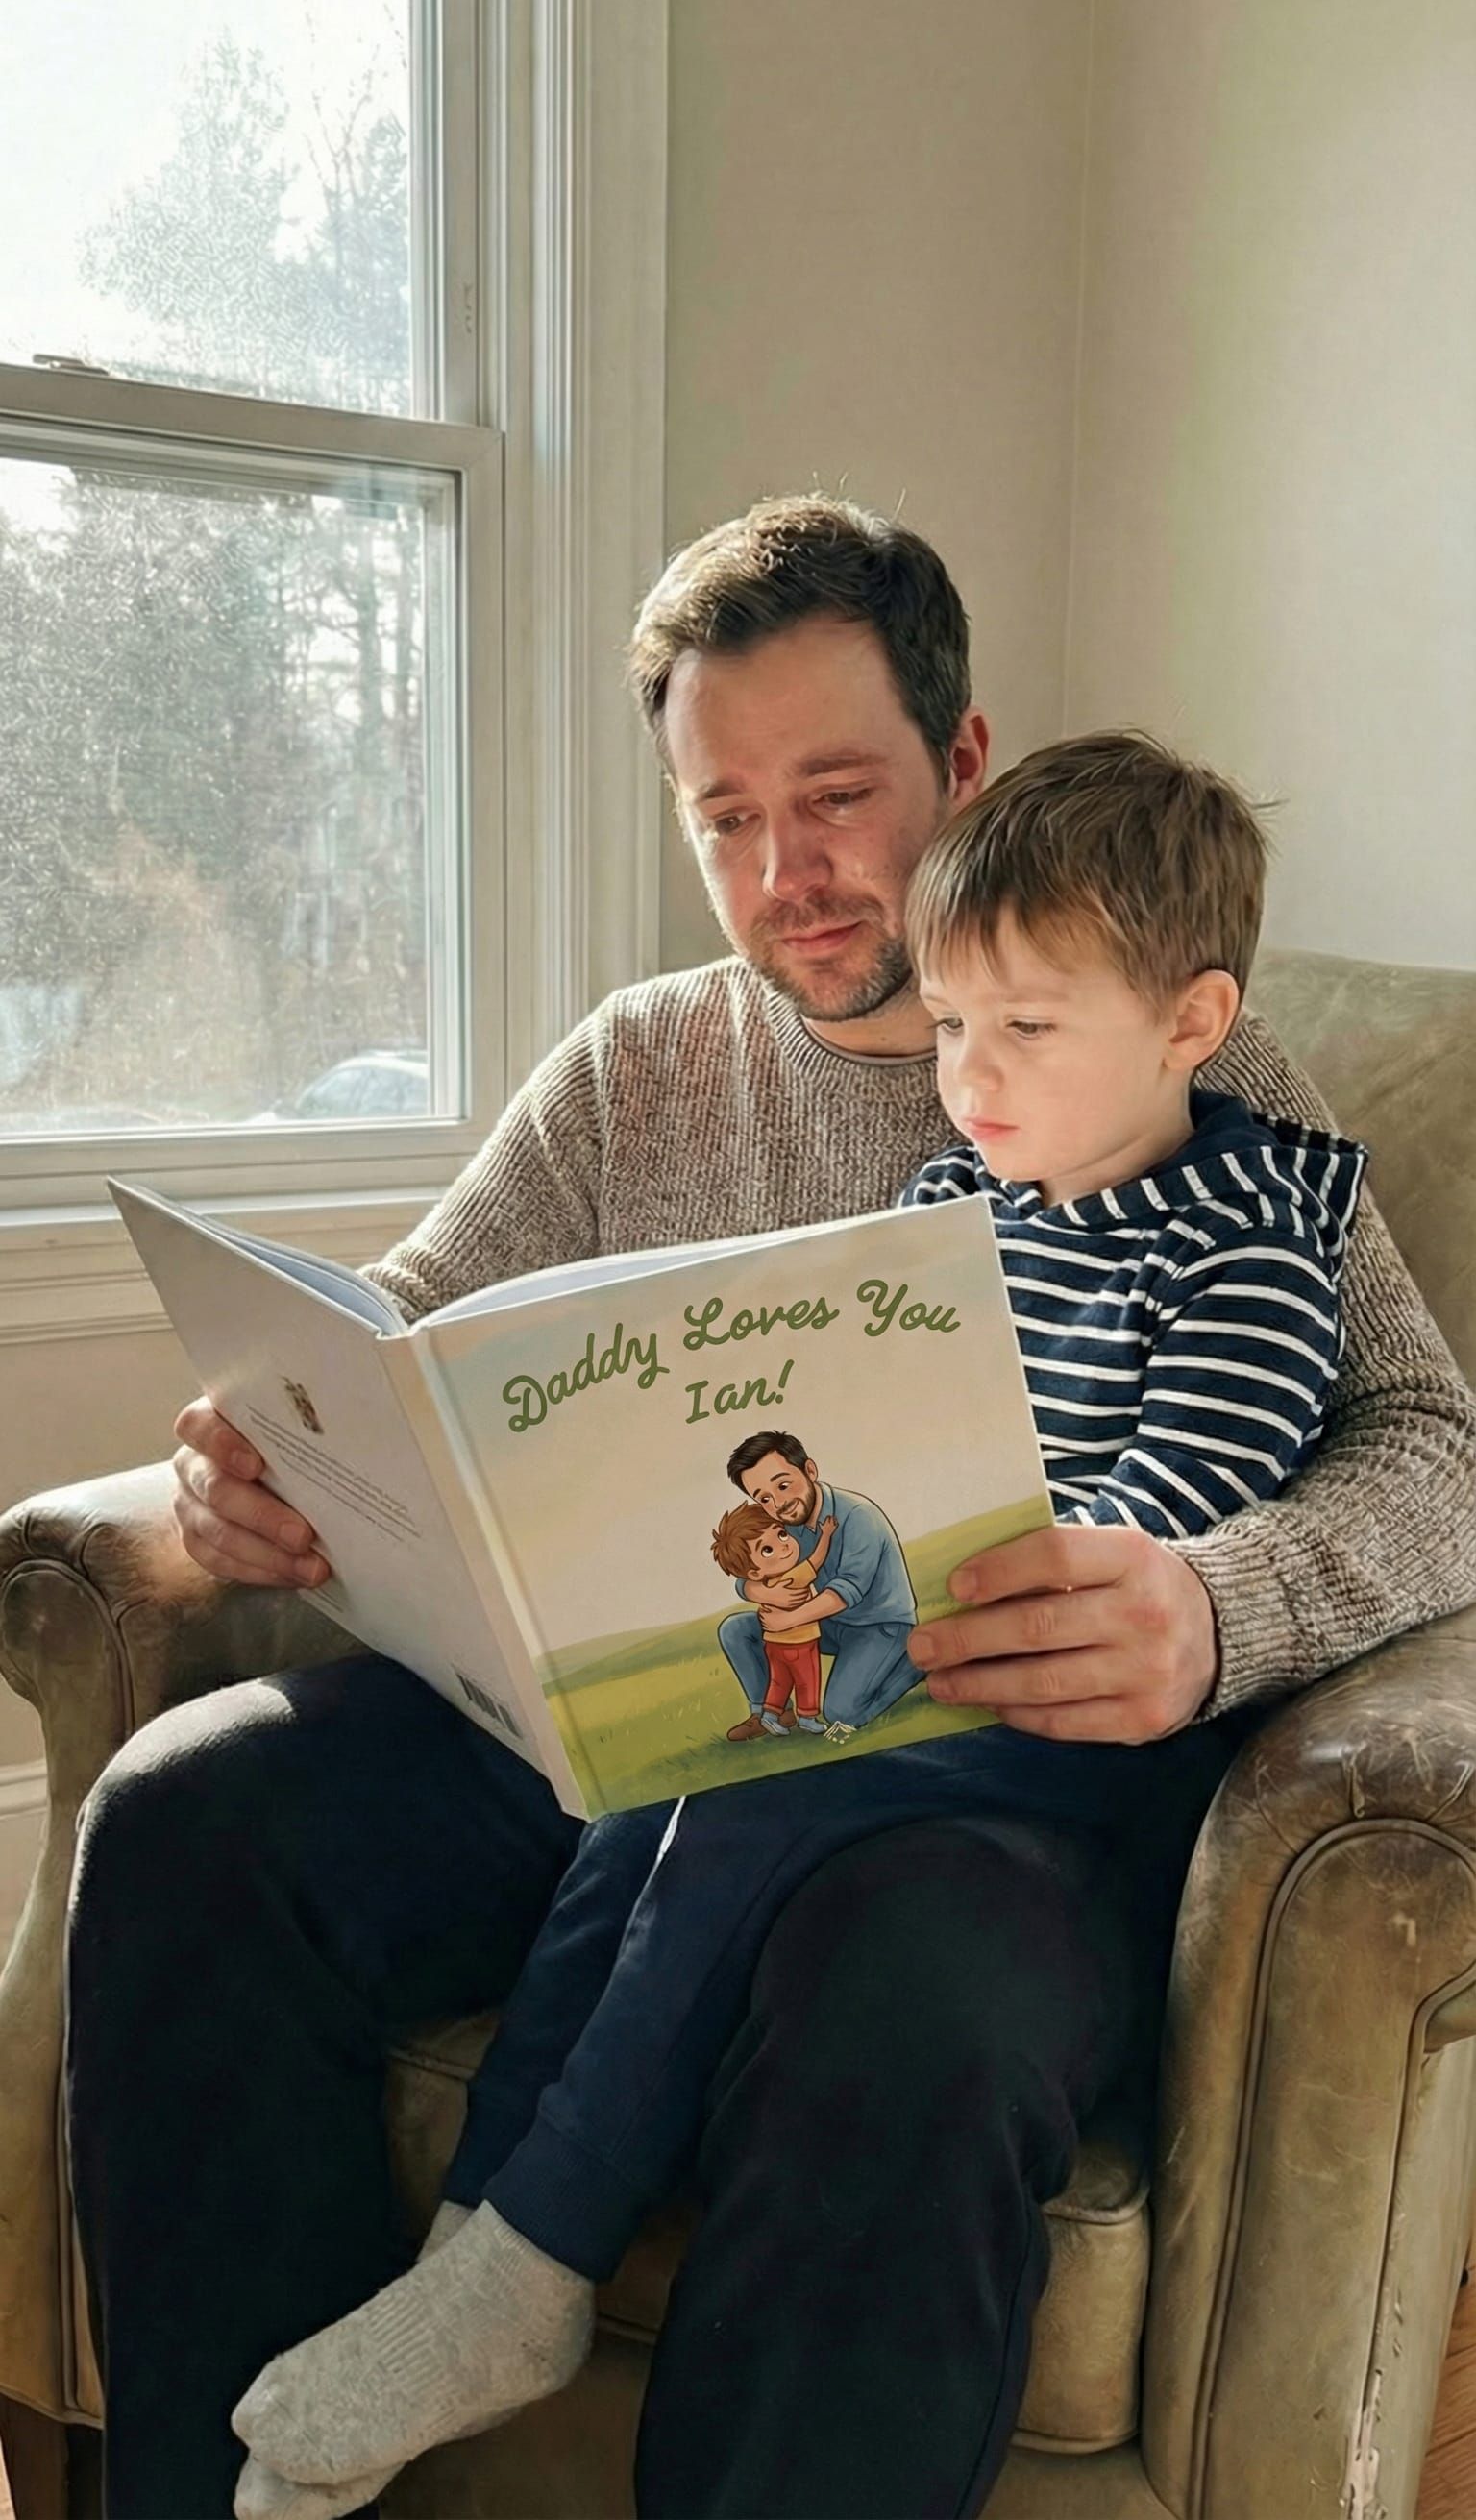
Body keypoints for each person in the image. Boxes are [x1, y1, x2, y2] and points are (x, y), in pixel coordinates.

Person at [63, 500, 1476, 2520]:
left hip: (990, 1778)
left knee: (909, 1997)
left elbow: (1435, 1443)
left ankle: (528, 2262)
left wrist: (1212, 1599)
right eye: (725, 816)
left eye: (836, 795)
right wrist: (261, 1448)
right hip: (619, 1727)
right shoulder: (641, 1066)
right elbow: (401, 1332)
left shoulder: (1193, 1070)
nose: (787, 873)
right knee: (189, 1812)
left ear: (964, 765)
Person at [716, 1431, 917, 1739]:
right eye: (764, 1498)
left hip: (880, 1627)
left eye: (783, 1486)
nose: (778, 1503)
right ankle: (771, 1713)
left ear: (810, 1471)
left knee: (840, 1712)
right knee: (735, 1629)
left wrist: (788, 1618)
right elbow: (747, 1571)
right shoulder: (781, 1525)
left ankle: (919, 1661)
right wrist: (761, 1591)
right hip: (825, 1627)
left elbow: (845, 1591)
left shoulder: (857, 1516)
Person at [711, 1488, 837, 1736]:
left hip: (778, 1642)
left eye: (781, 1535)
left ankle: (771, 1715)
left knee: (780, 1681)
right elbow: (817, 1560)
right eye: (767, 1550)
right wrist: (827, 1535)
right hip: (801, 1642)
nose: (784, 1546)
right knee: (806, 1679)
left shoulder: (776, 1574)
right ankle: (801, 1717)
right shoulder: (794, 1575)